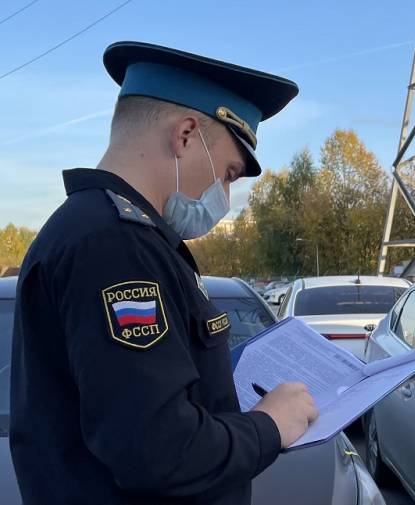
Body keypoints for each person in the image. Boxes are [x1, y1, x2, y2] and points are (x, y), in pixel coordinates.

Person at [10, 41, 318, 505]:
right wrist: (270, 425)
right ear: (186, 135)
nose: (225, 197)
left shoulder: (109, 233)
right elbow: (159, 451)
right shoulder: (113, 246)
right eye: (229, 174)